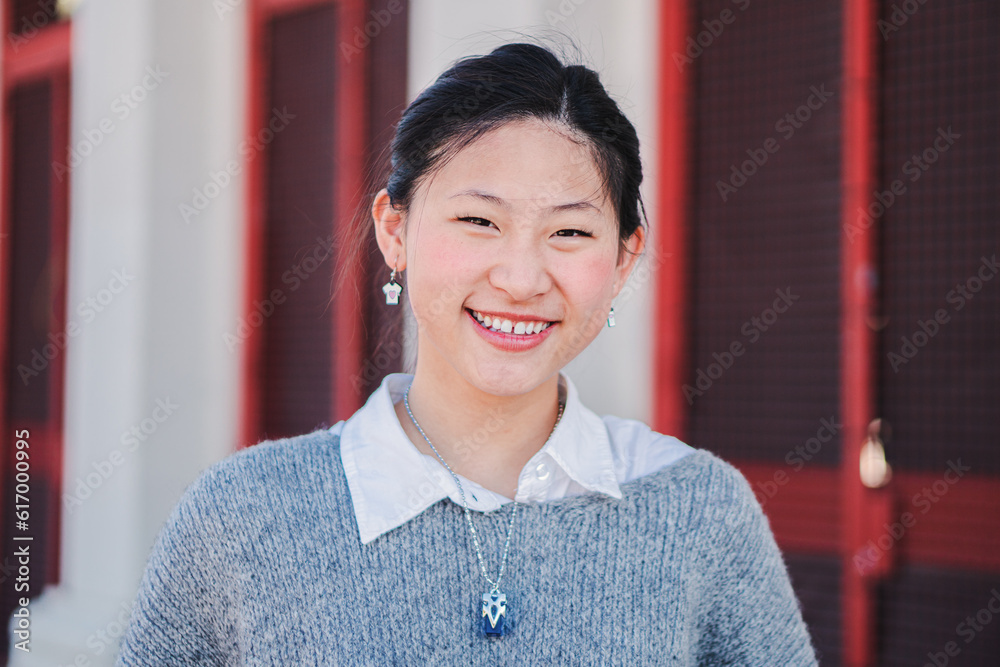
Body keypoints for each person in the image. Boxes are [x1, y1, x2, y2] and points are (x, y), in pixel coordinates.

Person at [117, 42, 818, 665]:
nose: (520, 278)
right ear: (396, 231)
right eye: (479, 221)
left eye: (569, 234)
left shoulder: (700, 511)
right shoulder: (241, 516)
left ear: (624, 260)